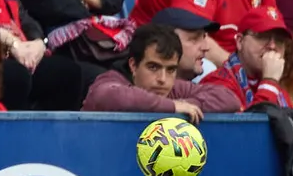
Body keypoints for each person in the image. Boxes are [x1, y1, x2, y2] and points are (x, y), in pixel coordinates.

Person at [81, 23, 240, 122]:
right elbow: (113, 96)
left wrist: (188, 105)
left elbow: (228, 98)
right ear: (133, 65)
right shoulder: (110, 80)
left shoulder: (173, 88)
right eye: (153, 67)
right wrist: (172, 107)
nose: (162, 79)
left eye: (171, 69)